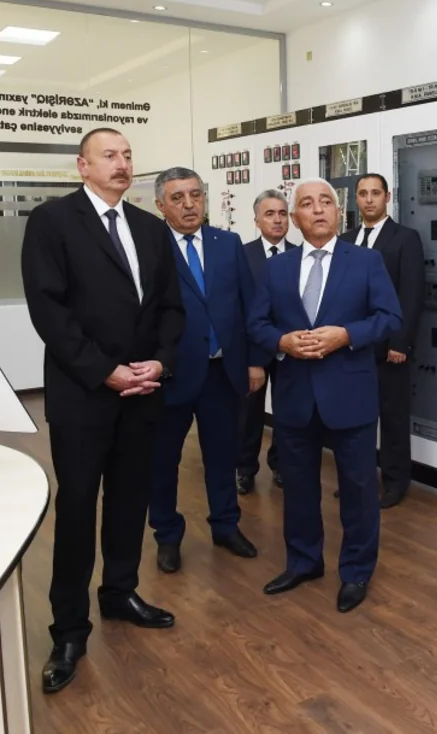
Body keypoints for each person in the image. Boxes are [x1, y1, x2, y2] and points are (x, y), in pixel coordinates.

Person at [20, 127, 184, 694]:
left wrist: (159, 363)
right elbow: (49, 311)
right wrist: (103, 370)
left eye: (128, 155)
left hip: (143, 391)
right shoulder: (52, 221)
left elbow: (170, 308)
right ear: (82, 166)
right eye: (109, 155)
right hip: (83, 393)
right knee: (77, 508)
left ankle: (119, 591)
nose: (122, 163)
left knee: (130, 499)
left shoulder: (151, 228)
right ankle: (68, 629)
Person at [247, 177, 402, 612]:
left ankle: (356, 572)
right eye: (307, 204)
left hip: (350, 395)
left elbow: (390, 317)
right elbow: (256, 323)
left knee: (358, 490)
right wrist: (282, 342)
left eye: (326, 202)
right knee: (298, 488)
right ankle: (303, 562)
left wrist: (346, 335)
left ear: (338, 212)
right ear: (294, 218)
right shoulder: (278, 267)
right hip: (295, 396)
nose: (317, 209)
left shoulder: (366, 261)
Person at [148, 167, 265, 574]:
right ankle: (167, 535)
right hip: (172, 374)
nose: (189, 205)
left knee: (222, 454)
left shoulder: (227, 244)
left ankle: (226, 526)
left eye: (195, 195)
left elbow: (250, 306)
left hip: (222, 372)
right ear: (161, 205)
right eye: (177, 198)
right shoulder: (151, 248)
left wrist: (254, 360)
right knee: (164, 460)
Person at [341, 173, 425, 508]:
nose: (369, 199)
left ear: (387, 197)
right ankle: (358, 479)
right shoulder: (345, 240)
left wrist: (399, 343)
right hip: (351, 346)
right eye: (363, 193)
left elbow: (411, 294)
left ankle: (394, 483)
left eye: (375, 193)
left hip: (389, 347)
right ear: (356, 199)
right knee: (354, 418)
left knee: (393, 418)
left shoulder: (405, 238)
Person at [236, 189, 297, 494]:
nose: (277, 220)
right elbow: (238, 311)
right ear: (257, 220)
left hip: (291, 350)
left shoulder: (301, 254)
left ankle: (281, 465)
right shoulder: (241, 256)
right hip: (254, 351)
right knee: (249, 415)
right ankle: (245, 469)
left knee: (287, 414)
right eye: (270, 214)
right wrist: (251, 360)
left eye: (282, 213)